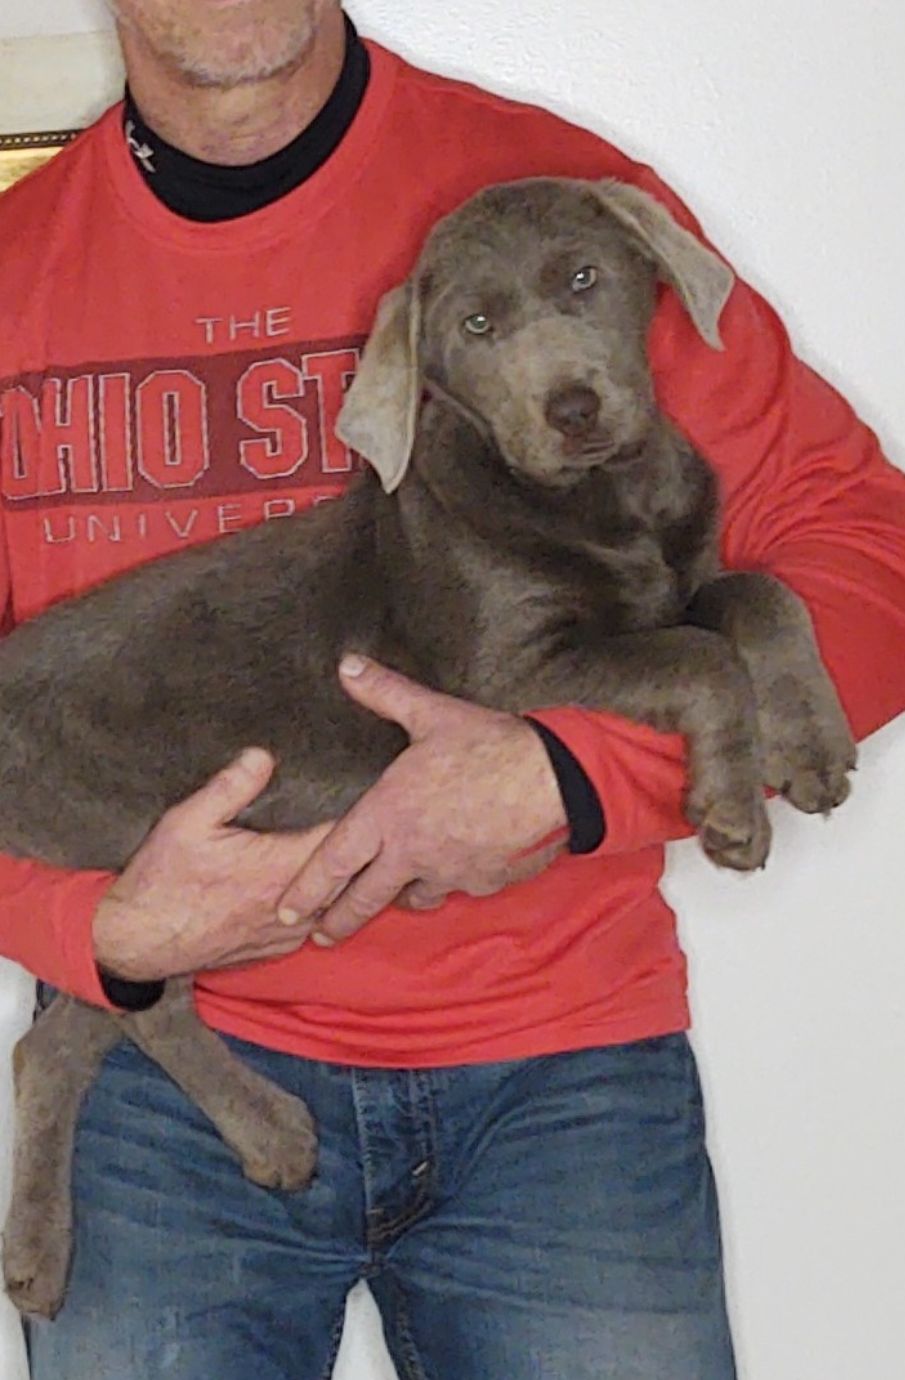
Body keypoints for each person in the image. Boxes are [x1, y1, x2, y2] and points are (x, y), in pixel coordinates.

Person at [1, 3, 903, 1377]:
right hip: (160, 1115)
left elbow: (868, 551)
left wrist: (568, 778)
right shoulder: (12, 269)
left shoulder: (544, 199)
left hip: (562, 1079)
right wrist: (92, 928)